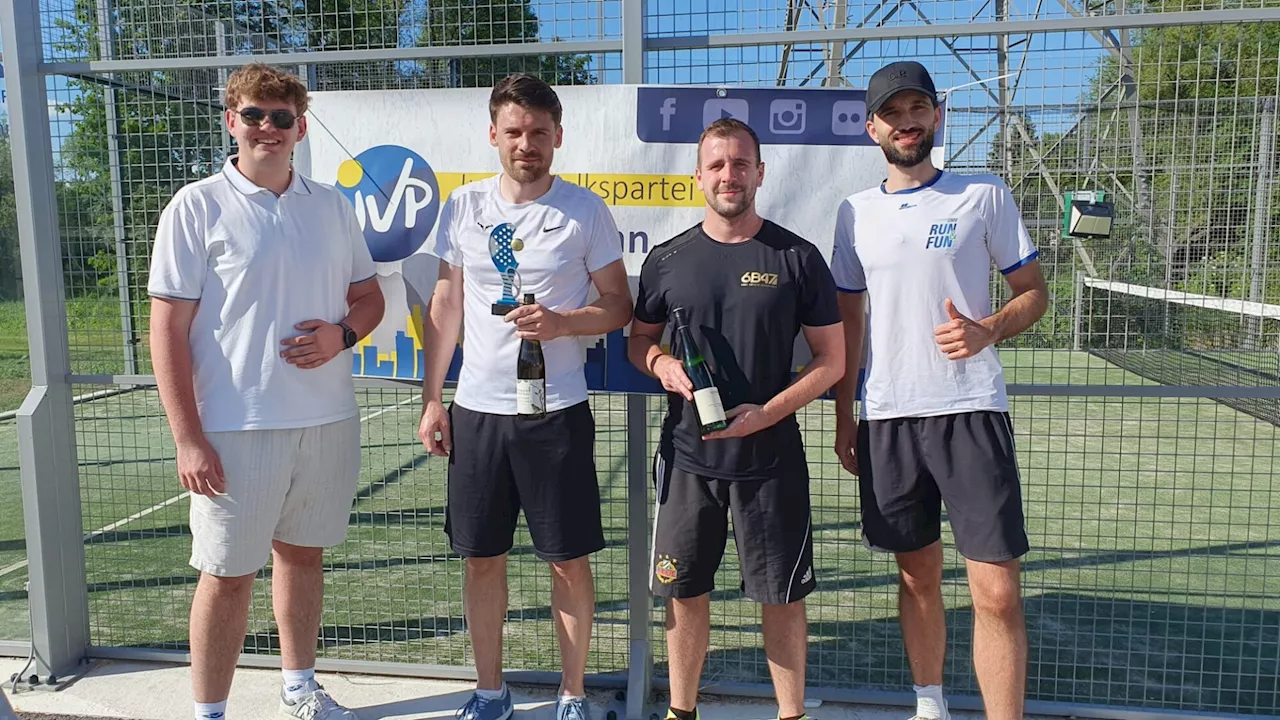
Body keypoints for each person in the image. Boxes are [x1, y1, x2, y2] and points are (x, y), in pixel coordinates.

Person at [148, 63, 385, 720]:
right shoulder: (197, 205)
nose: (268, 128)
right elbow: (166, 328)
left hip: (328, 419)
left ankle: (299, 688)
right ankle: (210, 713)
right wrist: (188, 437)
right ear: (232, 121)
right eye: (254, 114)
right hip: (235, 427)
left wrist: (342, 335)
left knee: (303, 557)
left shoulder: (331, 205)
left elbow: (367, 298)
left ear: (300, 128)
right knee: (227, 576)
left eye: (282, 118)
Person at [829, 61, 1049, 720]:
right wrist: (846, 417)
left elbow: (1034, 294)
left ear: (936, 116)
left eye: (917, 107)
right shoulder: (854, 213)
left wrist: (990, 328)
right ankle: (931, 706)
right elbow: (849, 322)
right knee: (917, 576)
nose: (906, 122)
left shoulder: (983, 195)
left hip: (971, 413)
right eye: (891, 113)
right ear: (872, 128)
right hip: (889, 418)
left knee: (997, 592)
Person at [416, 74, 633, 720]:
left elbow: (620, 306)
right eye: (514, 131)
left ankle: (571, 696)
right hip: (478, 414)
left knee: (567, 563)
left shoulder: (585, 210)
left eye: (539, 132)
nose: (526, 143)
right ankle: (491, 692)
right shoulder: (463, 208)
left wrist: (564, 323)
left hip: (555, 411)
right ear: (493, 135)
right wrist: (433, 399)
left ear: (558, 137)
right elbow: (447, 302)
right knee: (482, 560)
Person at [628, 118, 845, 720]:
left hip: (770, 460)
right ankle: (681, 712)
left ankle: (791, 714)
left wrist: (767, 413)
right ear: (698, 176)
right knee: (682, 594)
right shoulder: (667, 260)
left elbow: (832, 362)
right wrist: (661, 363)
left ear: (760, 173)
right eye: (717, 164)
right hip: (688, 462)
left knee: (781, 599)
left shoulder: (797, 257)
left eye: (741, 163)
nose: (730, 174)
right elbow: (637, 341)